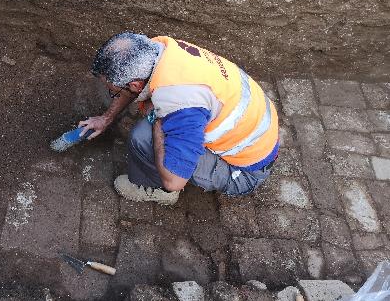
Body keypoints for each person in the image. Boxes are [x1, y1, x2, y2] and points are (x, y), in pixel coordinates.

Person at [79, 32, 279, 206]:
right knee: (151, 124)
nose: (113, 94)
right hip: (253, 127)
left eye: (114, 91)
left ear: (135, 85)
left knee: (142, 138)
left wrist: (158, 119)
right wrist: (106, 119)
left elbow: (174, 181)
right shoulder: (159, 50)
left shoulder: (181, 104)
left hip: (245, 172)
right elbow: (133, 89)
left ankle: (155, 190)